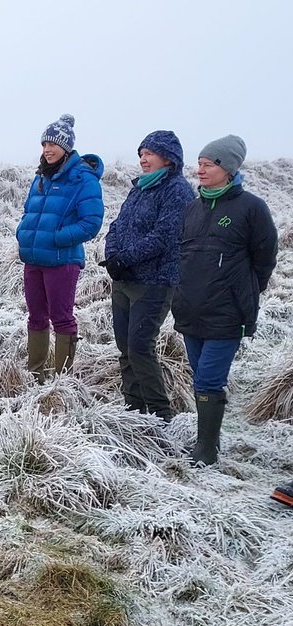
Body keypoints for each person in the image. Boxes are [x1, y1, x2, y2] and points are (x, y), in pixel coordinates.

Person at [171, 135, 277, 466]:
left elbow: (265, 259)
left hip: (227, 312)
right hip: (191, 308)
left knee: (208, 380)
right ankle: (208, 440)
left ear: (227, 168)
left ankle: (206, 450)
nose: (200, 169)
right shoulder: (192, 208)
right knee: (199, 374)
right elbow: (181, 255)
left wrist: (242, 291)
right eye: (199, 163)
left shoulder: (251, 208)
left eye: (209, 164)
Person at [101, 131, 195, 421]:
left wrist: (127, 258)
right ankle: (133, 409)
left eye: (149, 154)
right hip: (124, 279)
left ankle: (159, 414)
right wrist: (113, 254)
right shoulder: (139, 187)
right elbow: (118, 224)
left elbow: (165, 235)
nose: (142, 159)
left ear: (168, 158)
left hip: (154, 282)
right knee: (125, 347)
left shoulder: (177, 190)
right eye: (141, 153)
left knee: (141, 346)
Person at [15, 115, 104, 382]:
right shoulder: (41, 177)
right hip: (33, 259)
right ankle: (36, 374)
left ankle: (61, 379)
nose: (47, 150)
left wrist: (57, 238)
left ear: (67, 147)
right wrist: (23, 233)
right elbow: (28, 210)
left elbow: (91, 222)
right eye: (44, 144)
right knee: (36, 317)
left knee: (61, 318)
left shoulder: (83, 179)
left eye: (53, 144)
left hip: (62, 260)